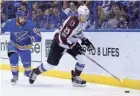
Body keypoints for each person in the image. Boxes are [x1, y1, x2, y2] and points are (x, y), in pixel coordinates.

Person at [29, 5, 94, 87]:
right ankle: (35, 72)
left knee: (81, 58)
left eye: (87, 16)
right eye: (84, 16)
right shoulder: (72, 22)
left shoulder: (81, 21)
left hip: (70, 42)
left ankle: (75, 78)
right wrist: (72, 46)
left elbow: (78, 32)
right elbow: (62, 38)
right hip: (59, 42)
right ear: (79, 14)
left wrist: (84, 39)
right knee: (50, 65)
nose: (86, 18)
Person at [1, 10, 42, 85]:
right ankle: (15, 76)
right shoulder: (10, 22)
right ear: (17, 18)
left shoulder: (30, 24)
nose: (24, 20)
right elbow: (1, 29)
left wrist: (32, 38)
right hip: (13, 44)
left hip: (25, 46)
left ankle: (27, 73)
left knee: (27, 65)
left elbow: (38, 37)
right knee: (13, 57)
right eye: (22, 18)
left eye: (25, 18)